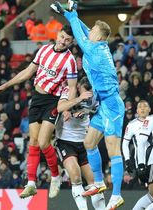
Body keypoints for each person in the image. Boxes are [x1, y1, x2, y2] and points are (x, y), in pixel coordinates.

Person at [0, 25, 78, 199]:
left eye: (67, 40)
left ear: (71, 42)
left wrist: (67, 106)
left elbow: (72, 87)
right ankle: (31, 184)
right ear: (58, 35)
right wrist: (4, 85)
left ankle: (55, 176)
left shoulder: (70, 61)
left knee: (44, 142)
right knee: (34, 142)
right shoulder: (44, 50)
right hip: (37, 99)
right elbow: (28, 72)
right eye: (62, 37)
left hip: (53, 101)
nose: (63, 41)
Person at [51, 1, 125, 209]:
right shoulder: (99, 45)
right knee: (89, 143)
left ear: (99, 35)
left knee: (113, 150)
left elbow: (79, 32)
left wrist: (70, 14)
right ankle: (99, 183)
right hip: (103, 105)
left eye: (93, 30)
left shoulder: (95, 51)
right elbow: (82, 29)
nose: (89, 32)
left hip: (112, 106)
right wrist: (70, 13)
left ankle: (117, 195)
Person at [55, 77, 105, 210]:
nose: (88, 97)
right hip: (65, 141)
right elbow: (60, 107)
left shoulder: (95, 95)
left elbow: (100, 112)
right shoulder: (68, 90)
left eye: (90, 93)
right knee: (76, 176)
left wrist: (86, 111)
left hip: (85, 141)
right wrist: (78, 99)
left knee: (94, 182)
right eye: (85, 93)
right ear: (78, 88)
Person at [122, 100, 153, 209]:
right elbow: (125, 144)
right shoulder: (132, 125)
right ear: (137, 110)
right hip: (142, 163)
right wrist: (127, 160)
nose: (143, 108)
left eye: (145, 106)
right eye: (140, 107)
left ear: (150, 109)